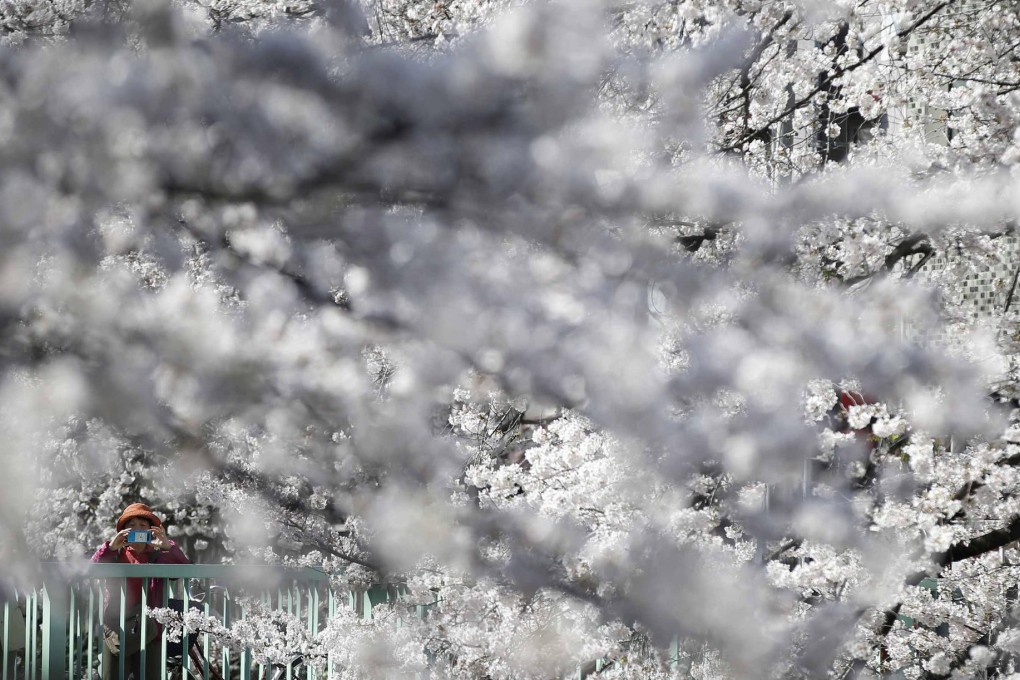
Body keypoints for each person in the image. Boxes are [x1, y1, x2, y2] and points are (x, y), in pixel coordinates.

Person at [91, 503, 190, 680]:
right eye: (132, 525)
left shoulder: (160, 556)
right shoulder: (114, 554)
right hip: (117, 627)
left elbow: (183, 570)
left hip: (151, 629)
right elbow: (93, 568)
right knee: (111, 675)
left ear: (151, 530)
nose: (137, 529)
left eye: (143, 526)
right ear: (123, 530)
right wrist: (111, 546)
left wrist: (167, 546)